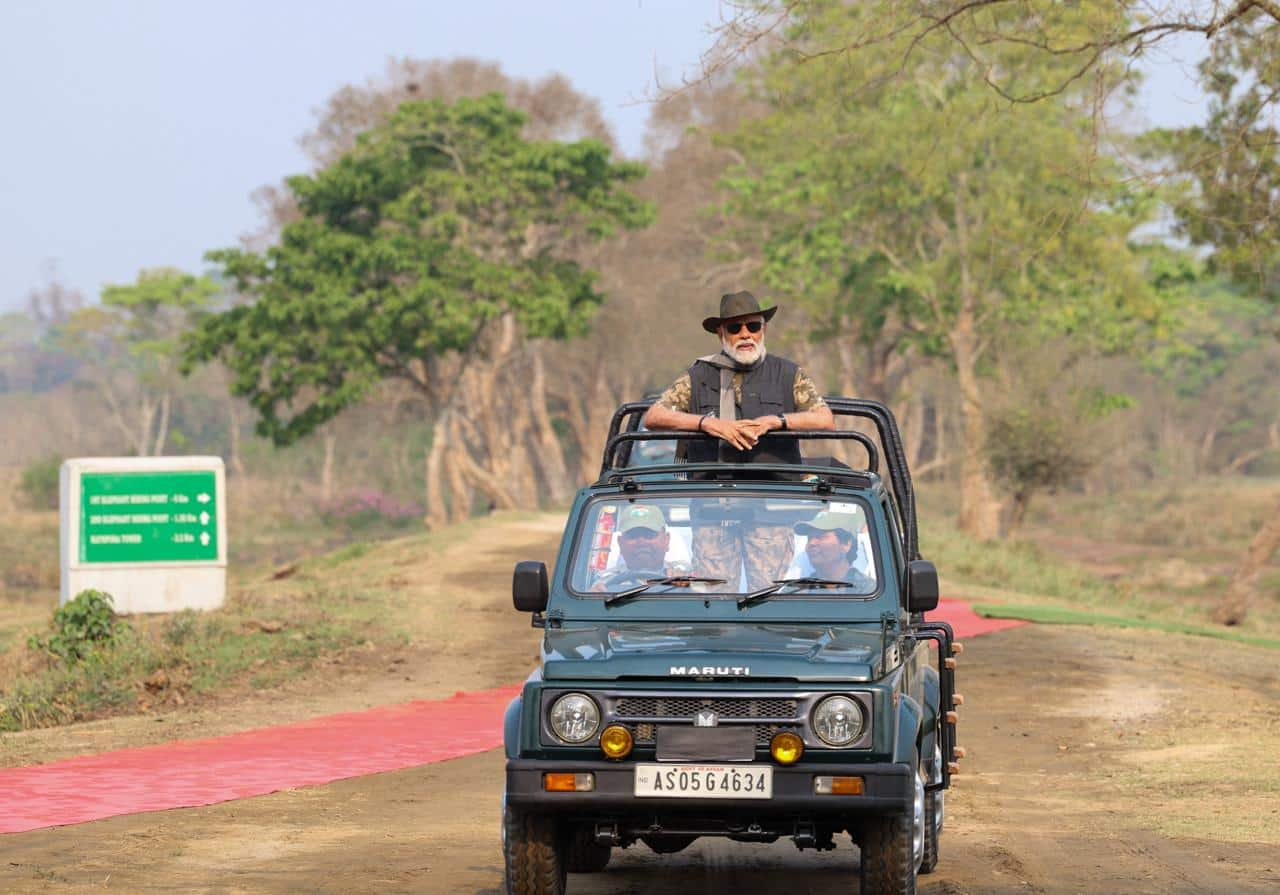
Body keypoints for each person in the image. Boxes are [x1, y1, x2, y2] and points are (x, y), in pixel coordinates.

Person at [642, 290, 835, 589]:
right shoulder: (698, 375)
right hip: (712, 508)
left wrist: (777, 421)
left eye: (753, 326)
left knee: (768, 596)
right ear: (721, 333)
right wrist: (708, 424)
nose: (745, 334)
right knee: (715, 596)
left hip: (771, 505)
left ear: (763, 329)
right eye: (735, 328)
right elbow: (654, 416)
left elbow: (824, 418)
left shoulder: (787, 373)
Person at [591, 504, 688, 590]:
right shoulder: (604, 582)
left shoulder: (685, 576)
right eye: (633, 535)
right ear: (620, 543)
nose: (641, 542)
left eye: (649, 534)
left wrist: (688, 585)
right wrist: (593, 600)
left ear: (666, 540)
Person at [792, 512, 877, 593]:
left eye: (821, 536)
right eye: (809, 538)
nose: (811, 543)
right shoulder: (795, 590)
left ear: (846, 544)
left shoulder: (869, 590)